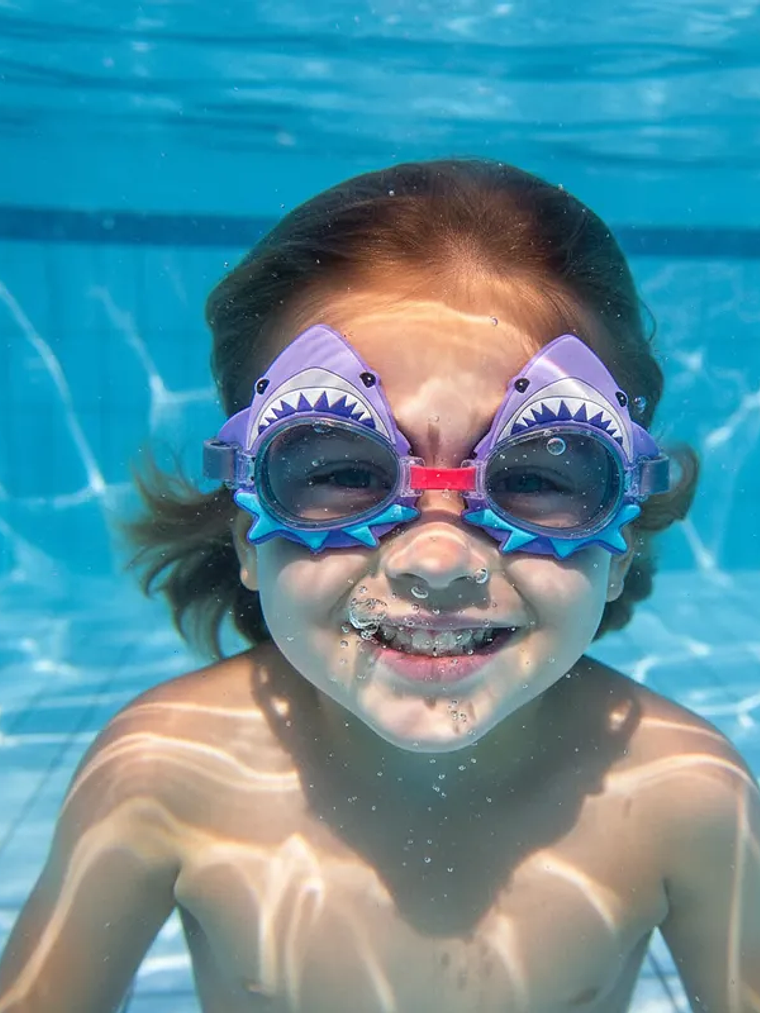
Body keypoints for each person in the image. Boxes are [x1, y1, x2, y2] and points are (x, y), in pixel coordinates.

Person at [1, 159, 758, 1013]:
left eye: (542, 478)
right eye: (340, 470)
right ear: (246, 528)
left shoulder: (683, 793)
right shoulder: (163, 774)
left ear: (619, 543)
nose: (436, 561)